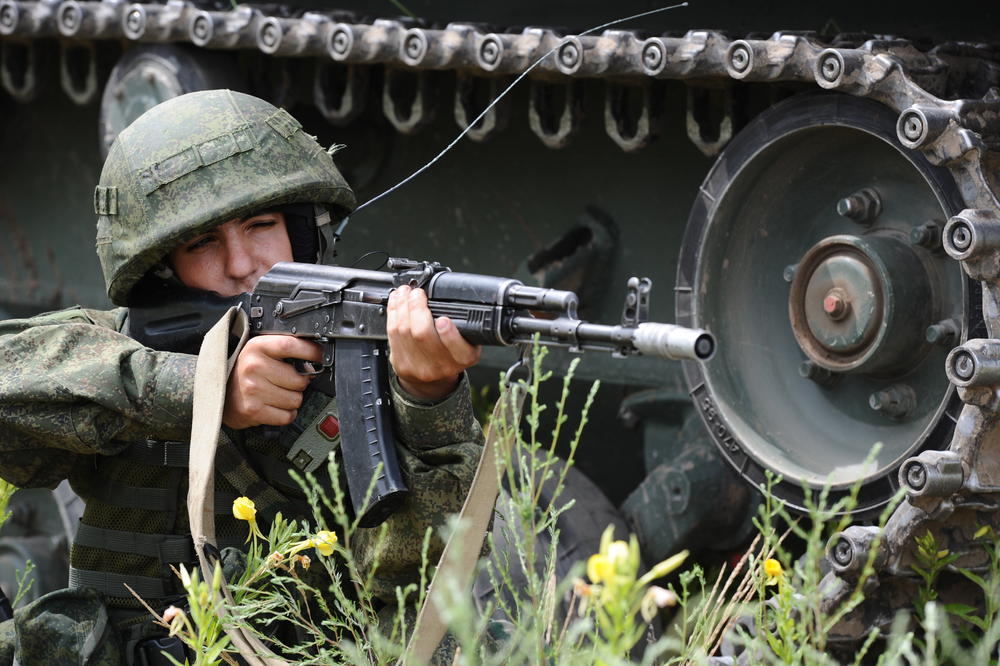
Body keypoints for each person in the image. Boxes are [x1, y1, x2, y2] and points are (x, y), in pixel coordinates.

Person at [0, 89, 484, 664]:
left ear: (304, 233)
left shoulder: (362, 379)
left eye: (261, 225)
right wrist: (205, 388)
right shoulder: (121, 348)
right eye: (203, 242)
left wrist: (428, 401)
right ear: (161, 271)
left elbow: (409, 581)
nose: (241, 264)